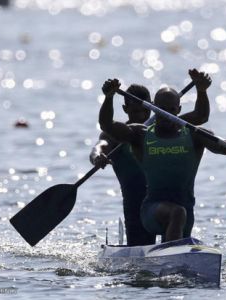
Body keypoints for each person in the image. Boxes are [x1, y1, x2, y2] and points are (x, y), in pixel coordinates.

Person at [99, 79, 226, 242]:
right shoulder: (140, 135)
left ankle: (173, 258)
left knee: (181, 213)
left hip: (186, 209)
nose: (167, 114)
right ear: (154, 108)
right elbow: (107, 125)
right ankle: (172, 261)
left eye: (171, 109)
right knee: (177, 213)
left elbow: (223, 144)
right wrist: (109, 97)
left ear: (179, 110)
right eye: (162, 109)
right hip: (152, 211)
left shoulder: (194, 134)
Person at [90, 69, 212, 246]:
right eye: (135, 112)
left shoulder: (165, 127)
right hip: (136, 203)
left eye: (145, 111)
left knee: (178, 217)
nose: (140, 117)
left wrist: (202, 90)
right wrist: (97, 157)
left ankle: (174, 262)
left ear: (152, 108)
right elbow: (98, 147)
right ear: (125, 109)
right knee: (143, 242)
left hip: (170, 199)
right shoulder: (121, 134)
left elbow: (200, 116)